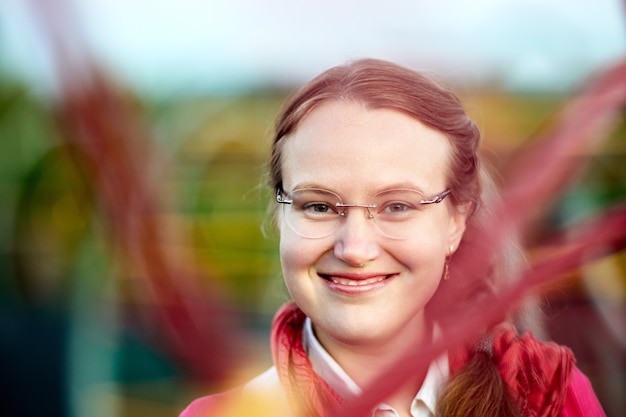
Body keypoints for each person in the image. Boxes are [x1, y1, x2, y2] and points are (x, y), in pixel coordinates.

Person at [180, 58, 606, 417]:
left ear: (456, 222)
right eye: (319, 206)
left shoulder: (548, 395)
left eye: (397, 206)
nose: (355, 249)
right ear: (279, 213)